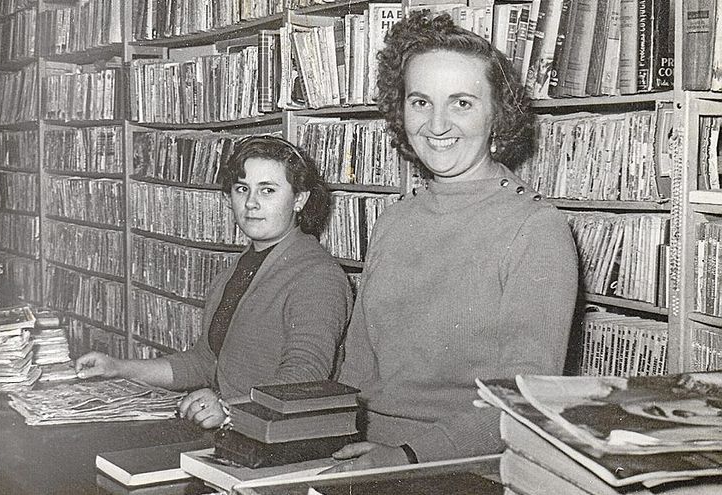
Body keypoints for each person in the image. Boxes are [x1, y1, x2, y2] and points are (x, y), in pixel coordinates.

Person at [329, 12, 579, 470]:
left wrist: (406, 457)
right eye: (420, 102)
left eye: (461, 103)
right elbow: (358, 369)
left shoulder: (537, 229)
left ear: (497, 114)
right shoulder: (394, 219)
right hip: (364, 454)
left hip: (464, 465)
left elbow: (522, 402)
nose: (437, 125)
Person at [76, 135, 353, 430]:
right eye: (241, 189)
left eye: (268, 190)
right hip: (233, 426)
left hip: (273, 436)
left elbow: (305, 377)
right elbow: (204, 362)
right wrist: (117, 368)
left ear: (299, 199)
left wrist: (227, 409)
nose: (251, 203)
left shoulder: (317, 274)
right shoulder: (242, 265)